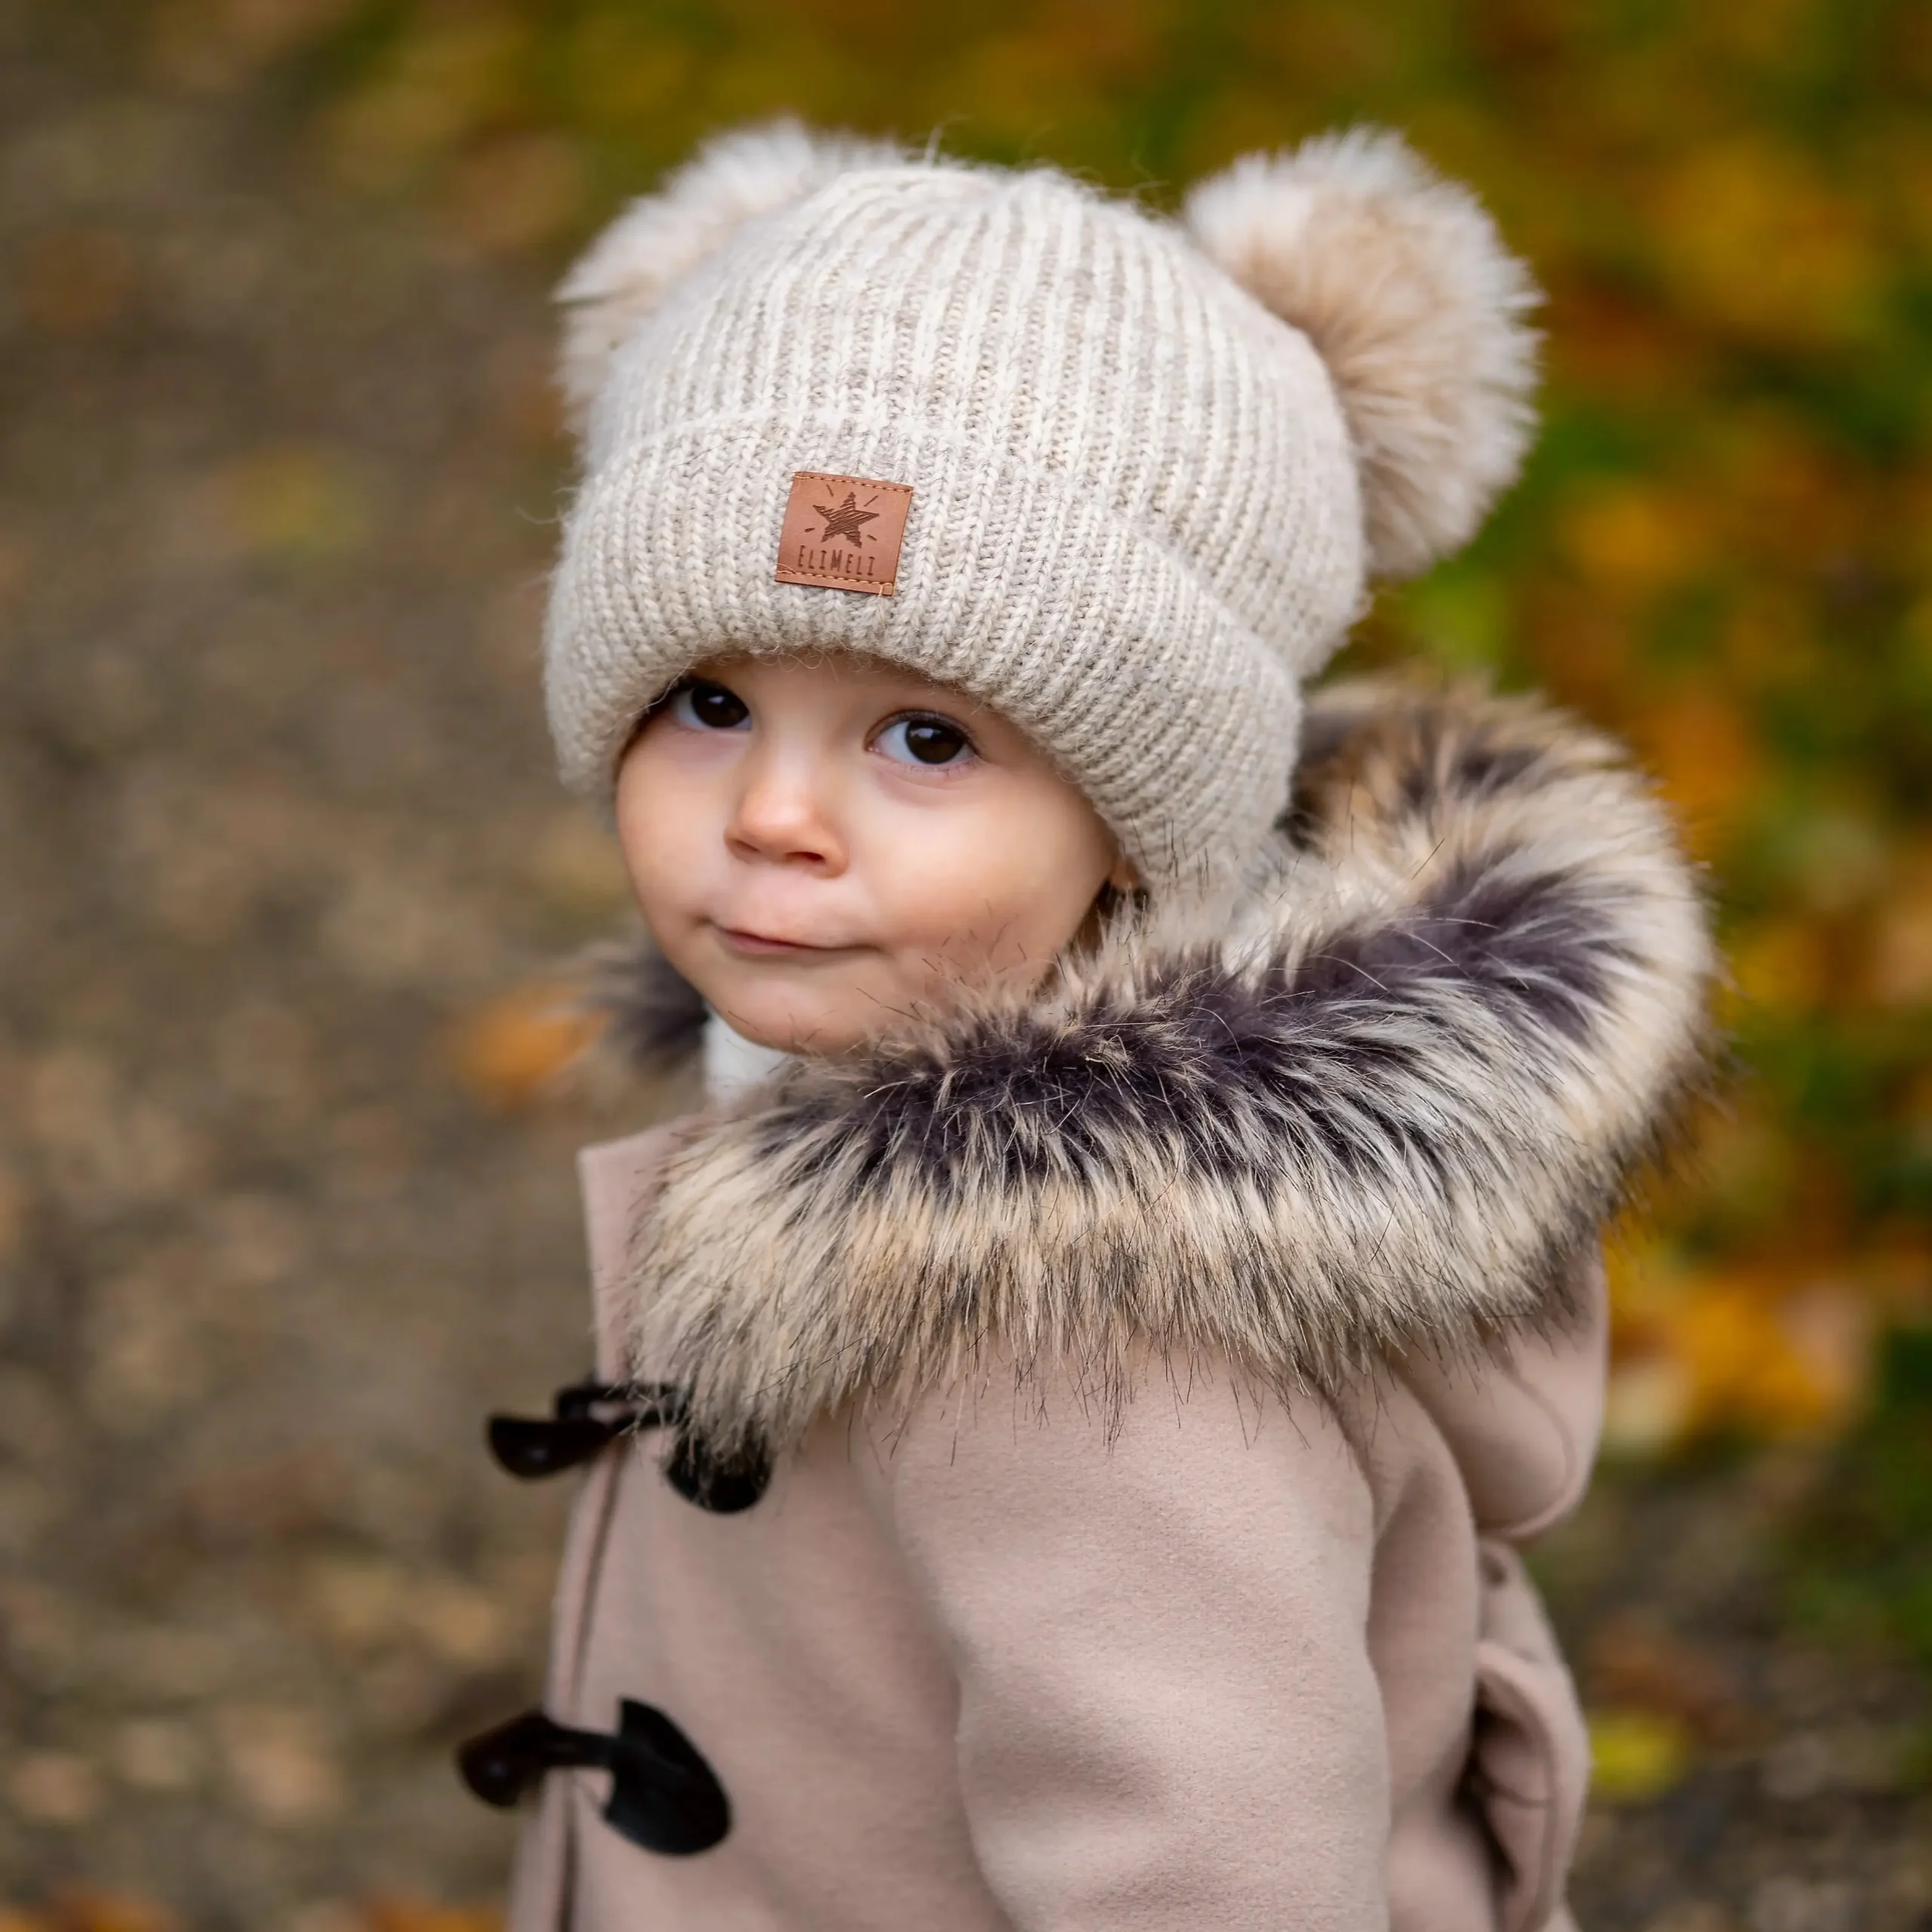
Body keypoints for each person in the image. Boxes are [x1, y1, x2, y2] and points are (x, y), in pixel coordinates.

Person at [458, 119, 1712, 1932]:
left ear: (1142, 820)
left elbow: (1210, 1871)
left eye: (925, 737)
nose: (773, 815)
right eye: (711, 698)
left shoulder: (1088, 1341)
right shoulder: (845, 1056)